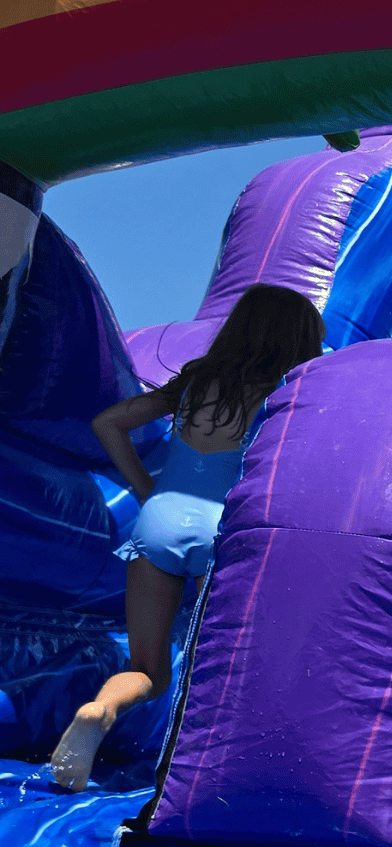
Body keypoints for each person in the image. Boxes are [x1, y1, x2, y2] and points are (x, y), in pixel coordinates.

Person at [47, 284, 324, 791]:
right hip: (222, 533)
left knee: (148, 669)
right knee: (222, 662)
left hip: (157, 522)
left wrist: (145, 488)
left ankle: (99, 709)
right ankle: (199, 775)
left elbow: (109, 423)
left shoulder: (195, 383)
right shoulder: (285, 395)